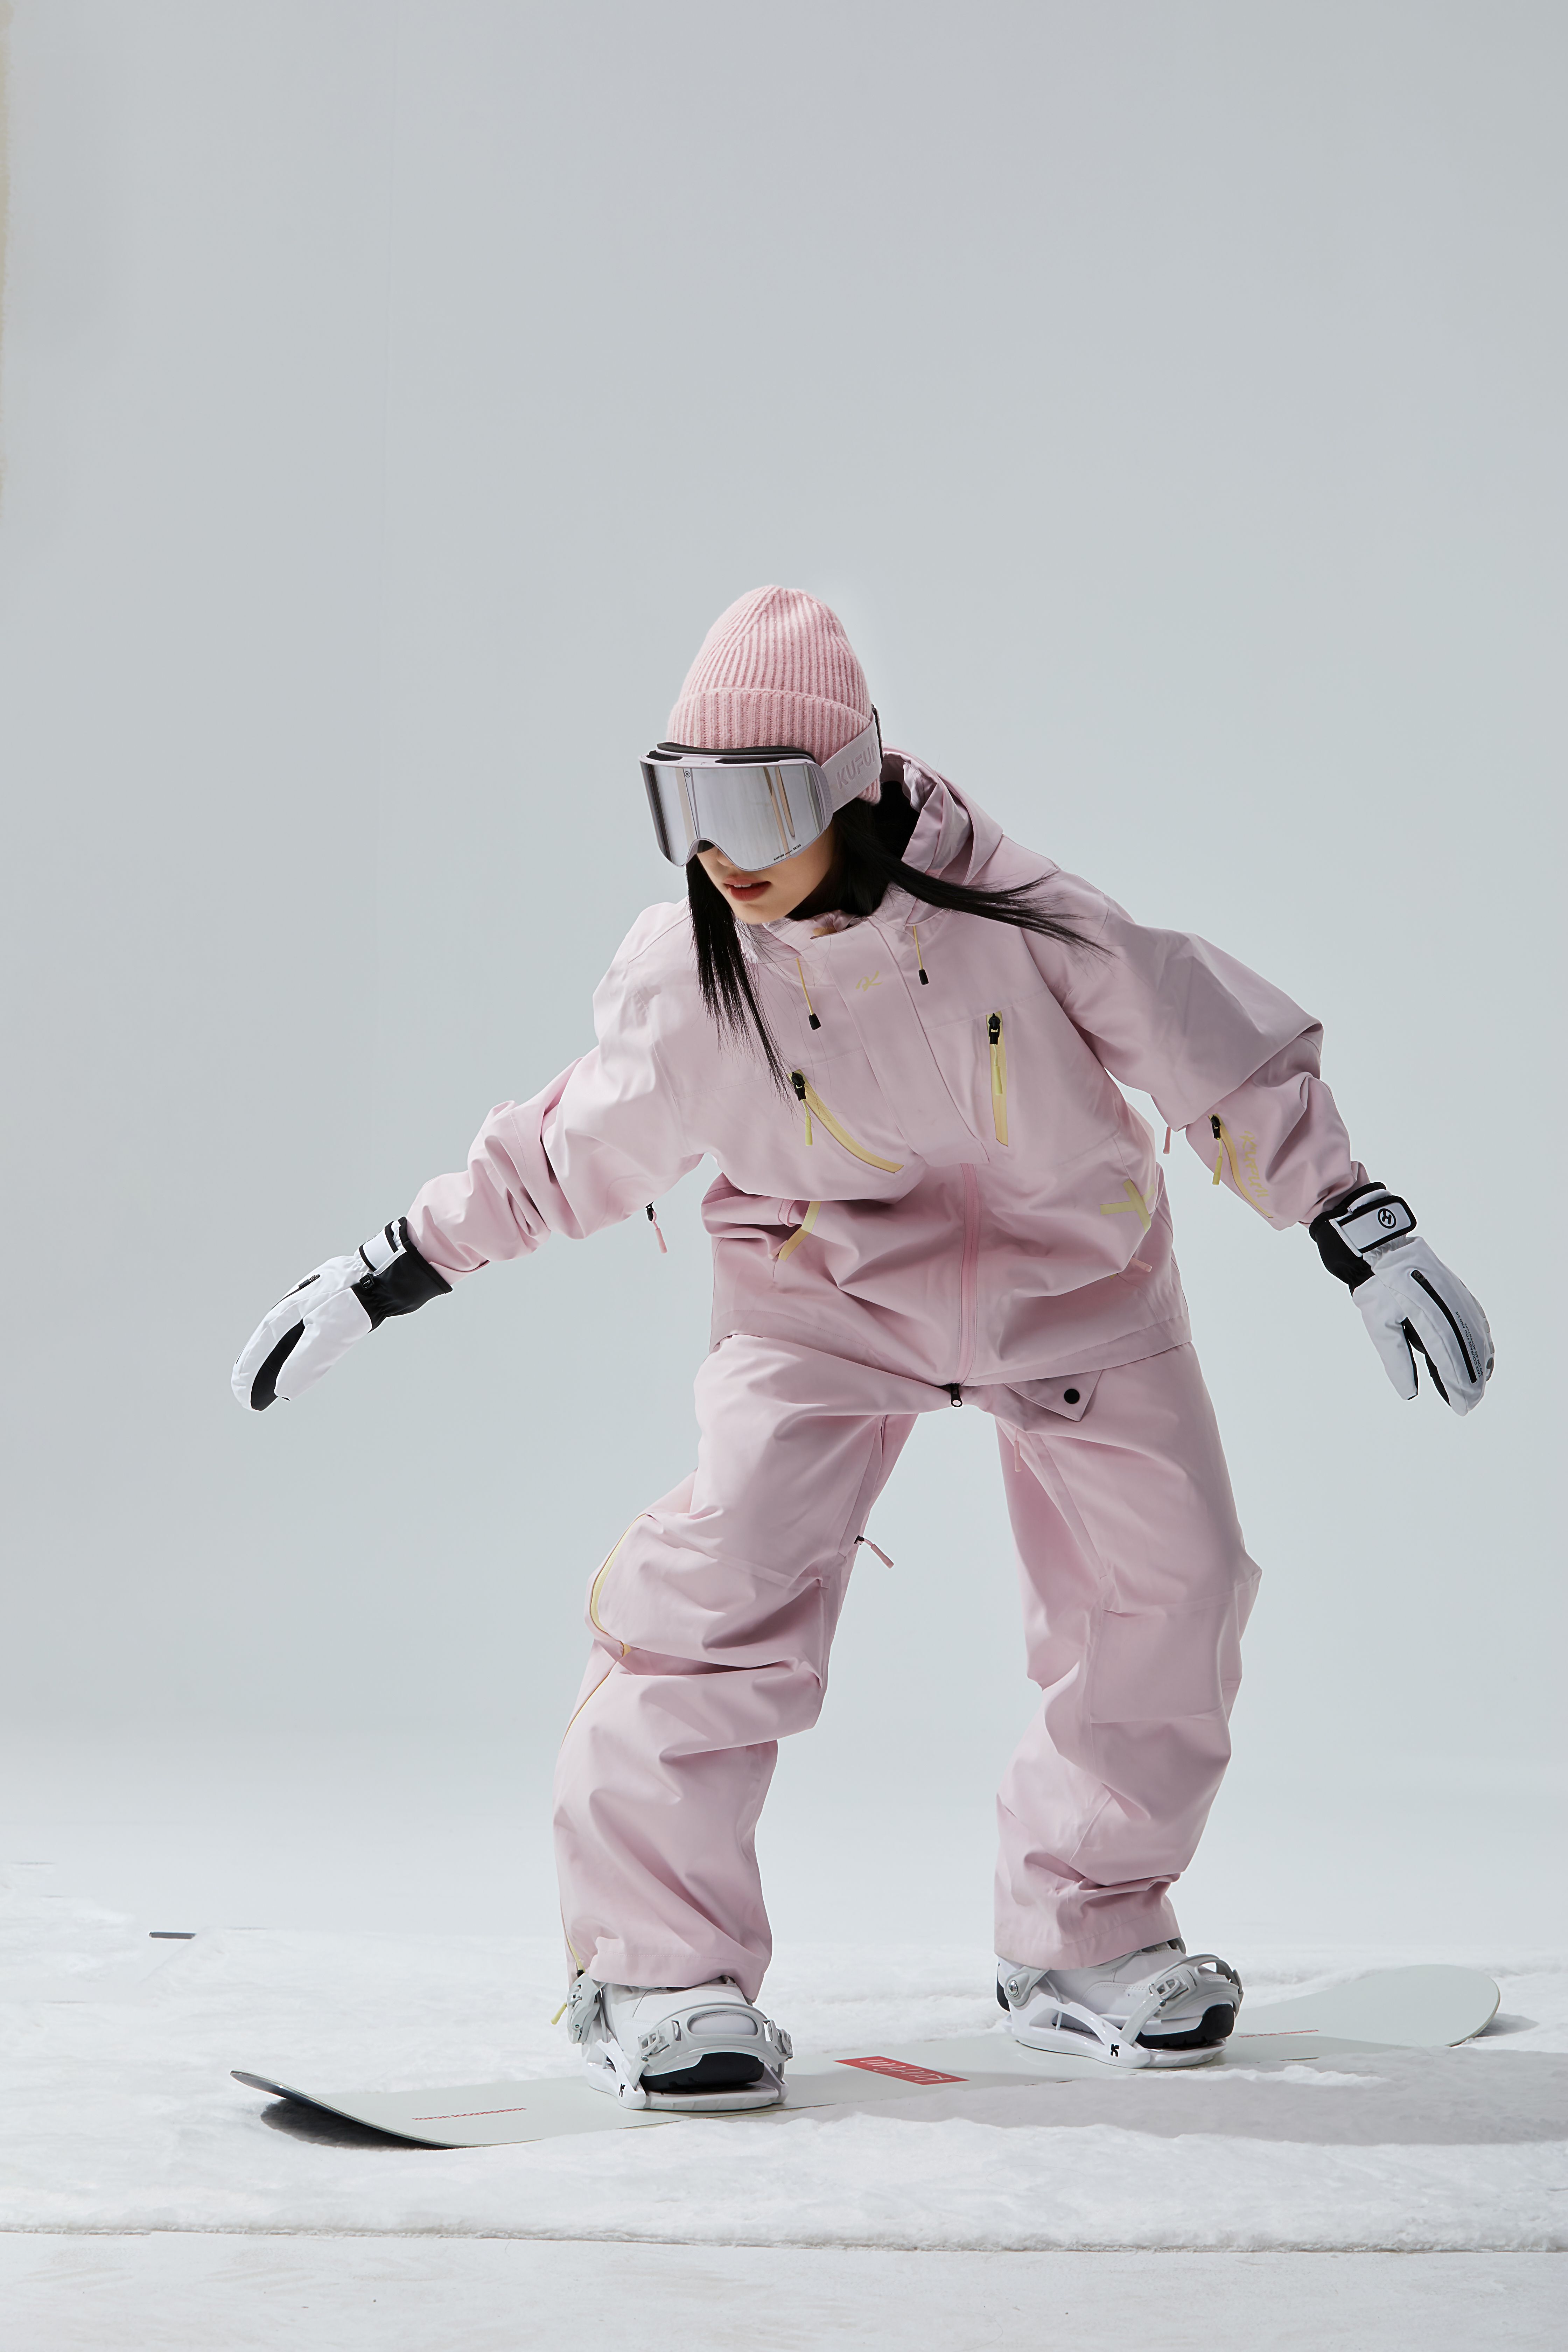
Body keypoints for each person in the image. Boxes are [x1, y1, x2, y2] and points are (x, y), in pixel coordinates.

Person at [233, 586, 1492, 2111]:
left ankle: (1088, 1933)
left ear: (848, 785)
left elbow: (1212, 1054)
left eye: (758, 803)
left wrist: (1359, 1226)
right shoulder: (695, 970)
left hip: (1076, 1286)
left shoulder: (1026, 920)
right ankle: (655, 1969)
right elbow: (569, 1149)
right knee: (723, 1583)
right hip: (817, 1294)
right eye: (686, 806)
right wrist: (387, 1273)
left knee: (1178, 1584)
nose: (724, 852)